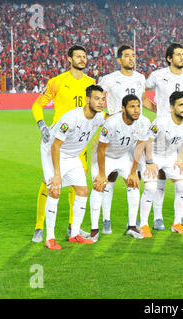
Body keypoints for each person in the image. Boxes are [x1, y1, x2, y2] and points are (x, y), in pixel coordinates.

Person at [31, 45, 96, 243]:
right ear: (69, 59)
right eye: (78, 56)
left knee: (78, 184)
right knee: (49, 182)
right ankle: (39, 227)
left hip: (80, 142)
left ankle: (72, 227)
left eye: (85, 57)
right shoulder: (57, 82)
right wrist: (42, 124)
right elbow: (37, 104)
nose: (82, 60)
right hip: (60, 140)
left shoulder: (91, 83)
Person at [41, 85, 106, 250]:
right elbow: (55, 146)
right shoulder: (71, 119)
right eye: (97, 98)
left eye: (102, 99)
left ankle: (75, 234)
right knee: (55, 190)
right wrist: (57, 174)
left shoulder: (99, 117)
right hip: (52, 152)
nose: (100, 102)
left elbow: (110, 119)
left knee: (83, 191)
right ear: (87, 100)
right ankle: (50, 238)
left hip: (71, 155)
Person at [95, 44, 147, 233]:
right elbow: (96, 97)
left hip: (134, 132)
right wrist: (106, 116)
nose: (131, 59)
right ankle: (106, 220)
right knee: (110, 176)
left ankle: (132, 224)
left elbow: (142, 99)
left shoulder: (141, 78)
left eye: (133, 55)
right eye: (127, 56)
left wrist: (158, 109)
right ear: (119, 60)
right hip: (115, 131)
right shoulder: (109, 79)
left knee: (134, 177)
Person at [144, 43, 183, 230]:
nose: (182, 57)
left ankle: (180, 218)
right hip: (161, 131)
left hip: (180, 130)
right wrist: (156, 109)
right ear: (169, 58)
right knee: (161, 174)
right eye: (178, 54)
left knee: (182, 173)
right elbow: (142, 92)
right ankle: (158, 217)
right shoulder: (158, 75)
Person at [88, 94, 151, 240]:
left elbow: (140, 147)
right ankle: (94, 230)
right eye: (132, 106)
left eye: (138, 106)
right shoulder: (111, 123)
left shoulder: (143, 122)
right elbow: (101, 149)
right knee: (99, 185)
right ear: (123, 108)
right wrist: (102, 174)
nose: (136, 110)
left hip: (123, 156)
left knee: (134, 184)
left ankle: (132, 226)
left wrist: (134, 172)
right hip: (104, 156)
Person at [138, 91, 183, 237]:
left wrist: (180, 158)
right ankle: (144, 225)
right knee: (151, 187)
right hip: (152, 155)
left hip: (171, 156)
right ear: (171, 107)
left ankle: (177, 223)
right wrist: (150, 162)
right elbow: (147, 141)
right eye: (180, 105)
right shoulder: (161, 122)